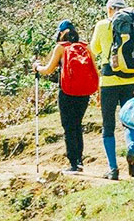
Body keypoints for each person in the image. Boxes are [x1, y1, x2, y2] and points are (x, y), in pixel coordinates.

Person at [90, 0, 134, 180]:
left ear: (109, 9)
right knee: (129, 122)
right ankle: (131, 150)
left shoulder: (102, 25)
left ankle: (113, 168)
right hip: (132, 81)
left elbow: (95, 50)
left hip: (109, 82)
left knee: (108, 126)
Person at [34, 20, 98, 174]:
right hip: (84, 93)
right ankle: (79, 160)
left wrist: (37, 67)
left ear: (61, 33)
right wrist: (99, 91)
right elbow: (95, 70)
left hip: (67, 92)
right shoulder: (86, 46)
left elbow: (48, 70)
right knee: (77, 125)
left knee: (69, 127)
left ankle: (74, 164)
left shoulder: (61, 48)